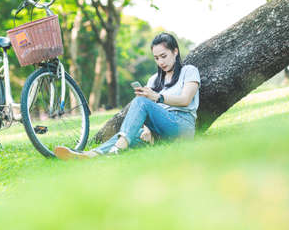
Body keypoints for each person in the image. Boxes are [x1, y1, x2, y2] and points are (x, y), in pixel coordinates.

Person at [54, 33, 200, 160]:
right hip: (159, 132)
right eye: (156, 58)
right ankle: (91, 155)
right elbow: (148, 114)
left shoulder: (189, 71)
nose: (160, 62)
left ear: (175, 51)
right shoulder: (154, 79)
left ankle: (118, 148)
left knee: (141, 101)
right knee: (131, 132)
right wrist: (148, 130)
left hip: (181, 126)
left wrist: (157, 97)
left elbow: (185, 100)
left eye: (163, 56)